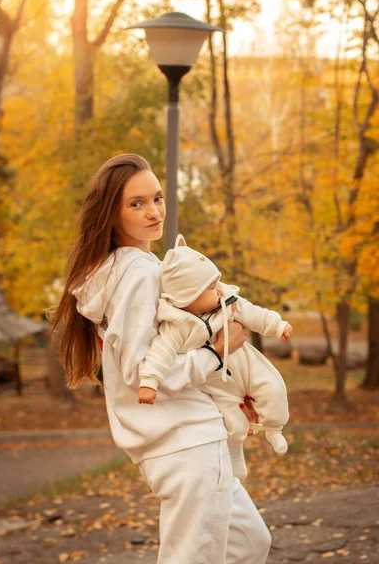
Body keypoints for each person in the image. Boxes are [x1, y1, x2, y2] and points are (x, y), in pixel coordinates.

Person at [51, 153, 272, 564]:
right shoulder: (138, 274)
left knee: (249, 544)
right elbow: (145, 374)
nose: (153, 212)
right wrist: (218, 351)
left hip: (190, 434)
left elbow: (167, 349)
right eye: (136, 204)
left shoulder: (125, 268)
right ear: (111, 215)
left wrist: (231, 385)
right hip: (187, 443)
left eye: (157, 198)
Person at [138, 234, 292, 478]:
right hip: (218, 385)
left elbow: (253, 313)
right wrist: (149, 382)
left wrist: (276, 325)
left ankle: (274, 429)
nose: (218, 291)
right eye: (210, 288)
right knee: (232, 424)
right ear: (187, 298)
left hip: (246, 366)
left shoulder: (227, 302)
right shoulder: (177, 327)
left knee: (273, 390)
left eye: (216, 284)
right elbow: (160, 354)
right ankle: (236, 454)